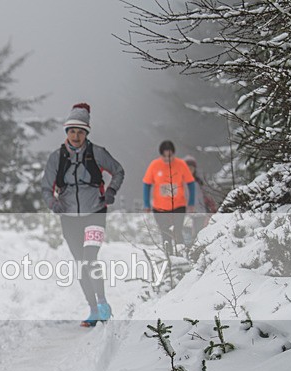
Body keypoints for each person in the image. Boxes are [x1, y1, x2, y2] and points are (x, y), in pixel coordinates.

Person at [41, 103, 125, 327]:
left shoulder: (98, 153)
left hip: (95, 213)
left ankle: (103, 303)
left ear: (86, 133)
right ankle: (93, 309)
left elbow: (118, 171)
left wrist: (111, 191)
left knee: (90, 258)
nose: (76, 136)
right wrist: (53, 203)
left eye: (80, 132)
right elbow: (46, 187)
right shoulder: (56, 157)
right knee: (80, 264)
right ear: (66, 132)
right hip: (69, 218)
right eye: (72, 131)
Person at [142, 140, 195, 255]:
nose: (167, 159)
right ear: (161, 155)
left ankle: (181, 256)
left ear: (173, 154)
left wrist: (191, 202)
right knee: (165, 233)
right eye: (164, 156)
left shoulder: (181, 165)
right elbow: (146, 184)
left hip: (178, 205)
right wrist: (146, 204)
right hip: (160, 207)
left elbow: (191, 183)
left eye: (169, 156)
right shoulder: (154, 165)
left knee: (177, 232)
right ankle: (169, 257)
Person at [184, 155, 218, 241]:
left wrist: (211, 207)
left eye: (191, 168)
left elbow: (206, 195)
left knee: (199, 232)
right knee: (187, 234)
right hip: (186, 213)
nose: (189, 170)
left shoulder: (199, 182)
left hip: (200, 211)